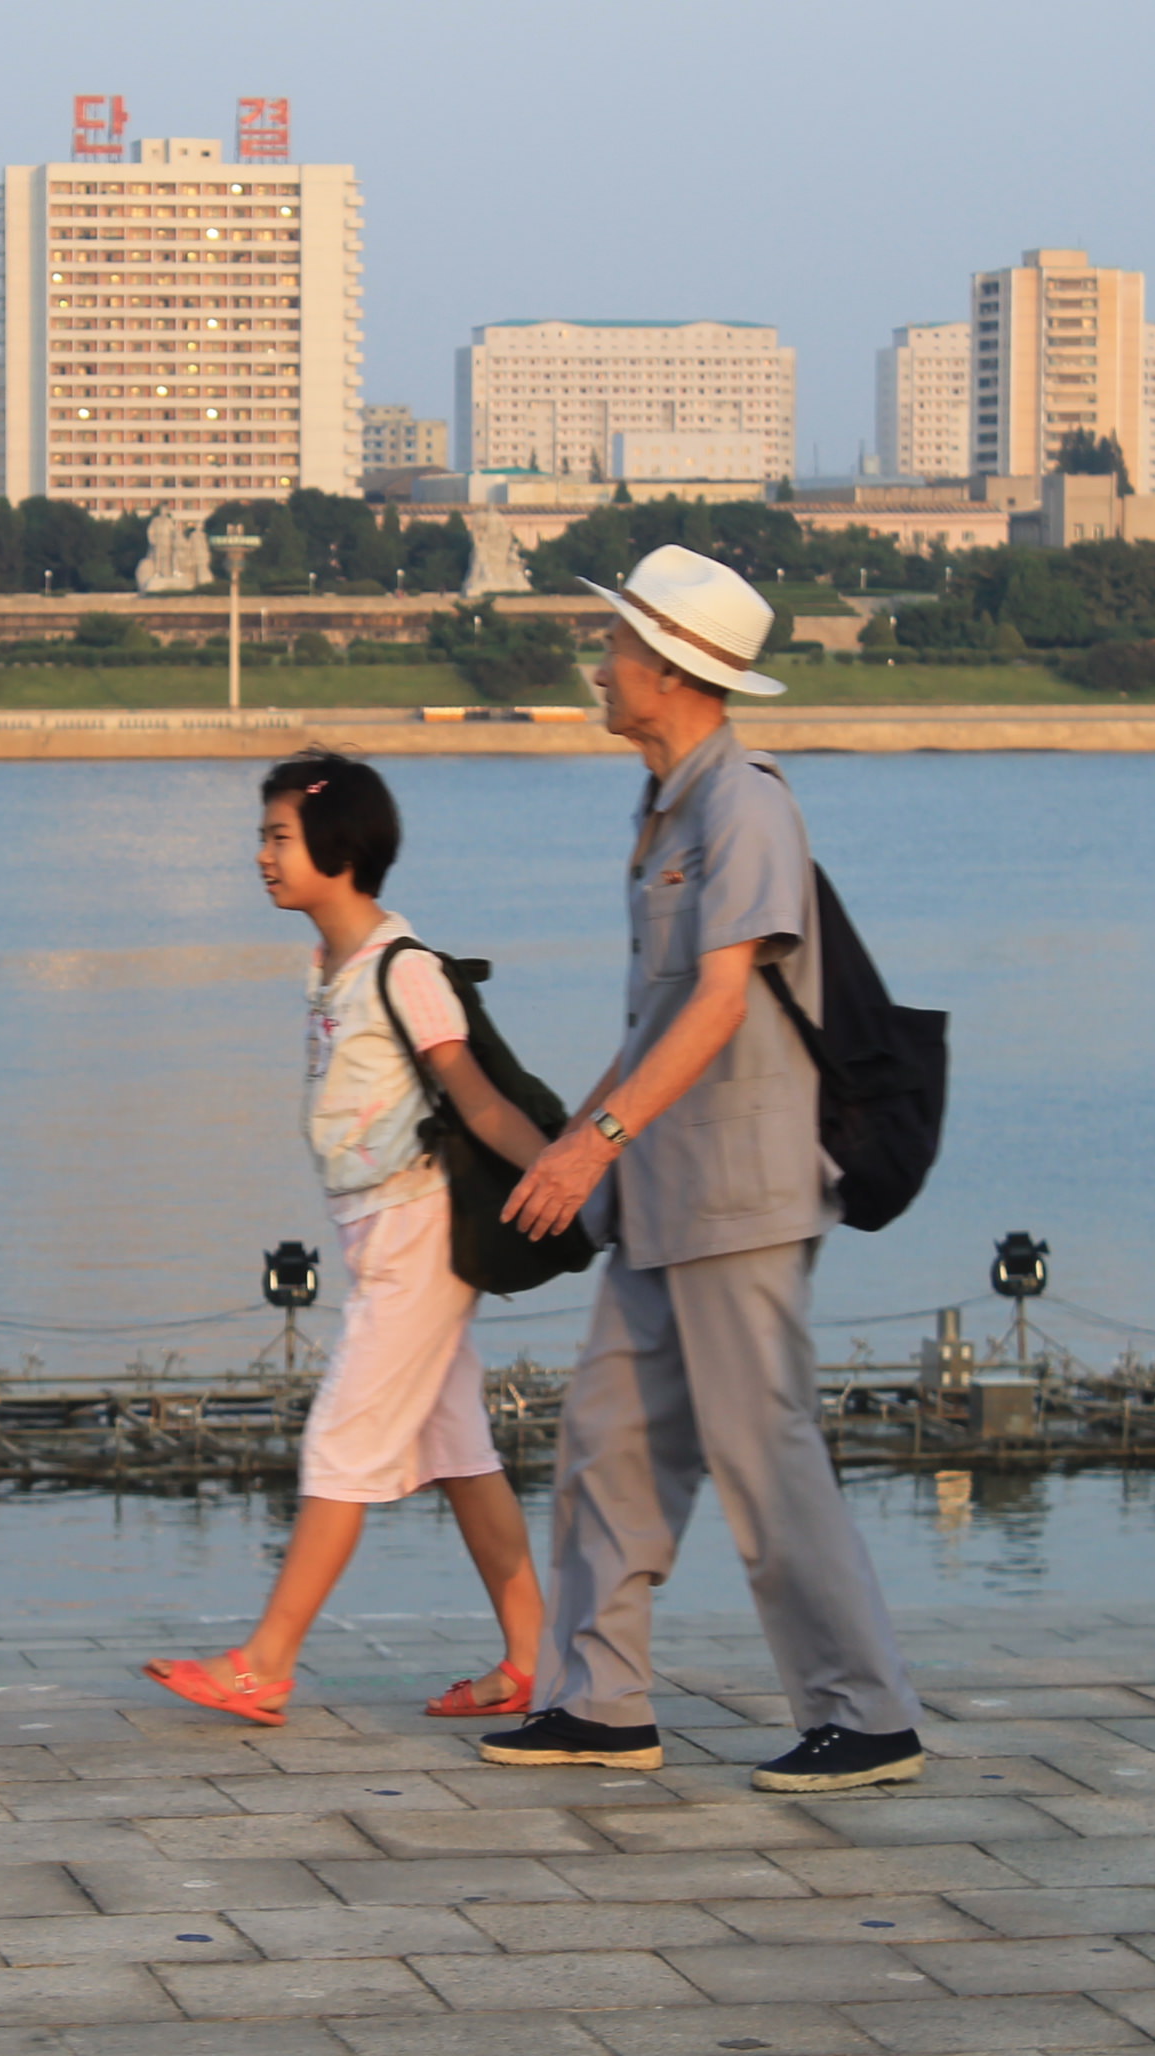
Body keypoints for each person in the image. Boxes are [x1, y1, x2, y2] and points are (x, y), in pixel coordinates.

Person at [483, 545, 924, 1794]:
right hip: (658, 1197)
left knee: (762, 1449)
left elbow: (721, 1001)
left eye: (616, 645)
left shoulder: (747, 805)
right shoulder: (667, 804)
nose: (601, 663)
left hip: (737, 1194)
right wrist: (575, 1142)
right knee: (608, 1441)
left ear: (671, 669)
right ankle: (597, 1701)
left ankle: (865, 1712)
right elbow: (654, 1017)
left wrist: (593, 1142)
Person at [146, 752, 551, 1727]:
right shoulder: (332, 964)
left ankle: (264, 1663)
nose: (262, 857)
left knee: (341, 1437)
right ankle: (533, 1660)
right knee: (456, 1448)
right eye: (263, 836)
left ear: (338, 847)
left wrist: (570, 1174)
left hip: (418, 1229)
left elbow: (477, 1098)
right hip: (379, 1233)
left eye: (278, 837)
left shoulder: (402, 971)